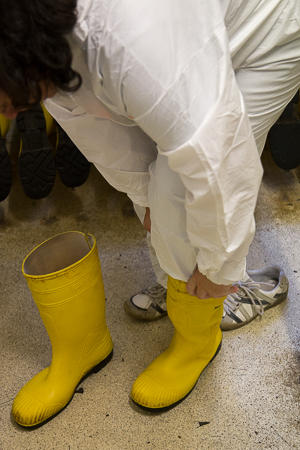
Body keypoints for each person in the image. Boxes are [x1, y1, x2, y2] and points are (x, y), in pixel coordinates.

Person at [0, 0, 298, 425]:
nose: (7, 112)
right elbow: (100, 133)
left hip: (263, 38)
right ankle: (108, 333)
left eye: (7, 98)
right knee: (165, 205)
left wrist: (218, 267)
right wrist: (147, 202)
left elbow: (220, 165)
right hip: (181, 46)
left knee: (181, 197)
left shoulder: (132, 44)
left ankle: (199, 337)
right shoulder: (40, 42)